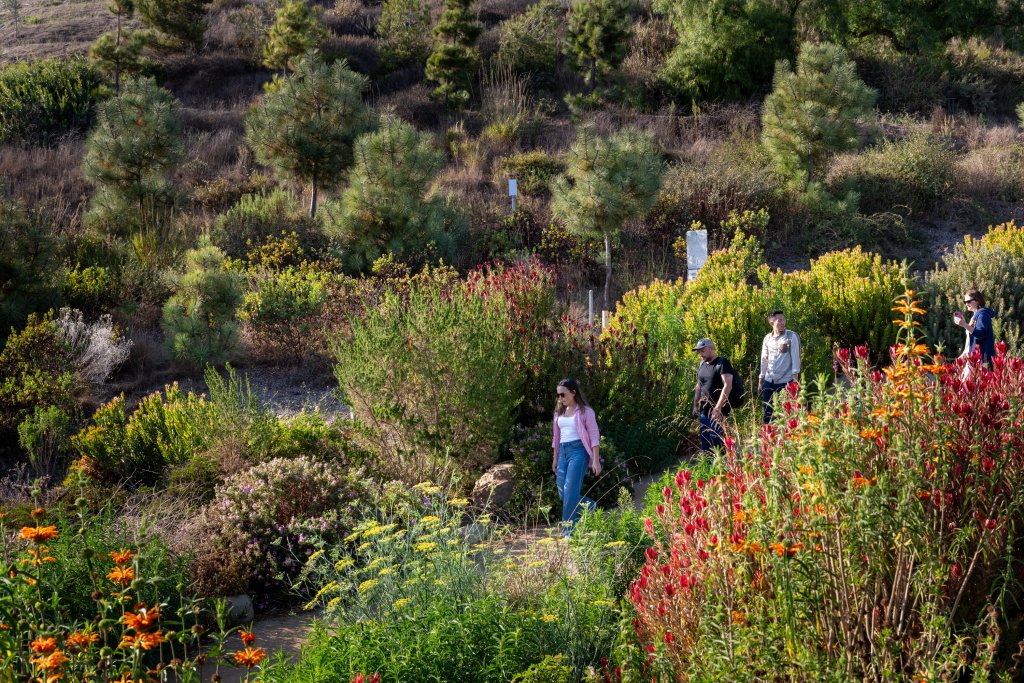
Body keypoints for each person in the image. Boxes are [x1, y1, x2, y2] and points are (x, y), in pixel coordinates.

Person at [551, 379, 602, 536]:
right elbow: (556, 438)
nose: (560, 398)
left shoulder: (586, 412)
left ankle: (568, 531)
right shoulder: (558, 413)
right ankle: (589, 505)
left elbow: (594, 436)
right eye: (558, 395)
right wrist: (555, 458)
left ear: (573, 392)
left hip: (578, 452)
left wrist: (595, 460)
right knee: (563, 493)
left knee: (570, 492)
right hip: (563, 454)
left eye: (563, 394)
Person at [691, 338, 735, 452]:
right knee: (706, 445)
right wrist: (695, 405)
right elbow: (699, 386)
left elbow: (728, 385)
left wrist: (718, 408)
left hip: (718, 413)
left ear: (711, 349)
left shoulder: (723, 363)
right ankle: (710, 467)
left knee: (719, 446)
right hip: (704, 412)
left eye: (702, 351)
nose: (700, 354)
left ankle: (724, 469)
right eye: (698, 351)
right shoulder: (701, 364)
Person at [758, 310, 801, 424]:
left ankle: (789, 438)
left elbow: (796, 360)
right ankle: (768, 438)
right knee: (767, 412)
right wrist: (761, 380)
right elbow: (764, 359)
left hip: (786, 380)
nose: (783, 322)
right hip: (769, 380)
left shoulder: (791, 336)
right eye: (779, 320)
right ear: (772, 323)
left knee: (788, 412)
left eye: (784, 319)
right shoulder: (767, 338)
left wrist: (795, 382)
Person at [954, 288, 996, 369]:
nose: (966, 304)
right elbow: (971, 340)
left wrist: (965, 325)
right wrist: (963, 355)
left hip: (983, 360)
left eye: (968, 301)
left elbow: (980, 334)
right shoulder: (975, 316)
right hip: (974, 358)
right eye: (965, 302)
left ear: (977, 301)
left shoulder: (983, 315)